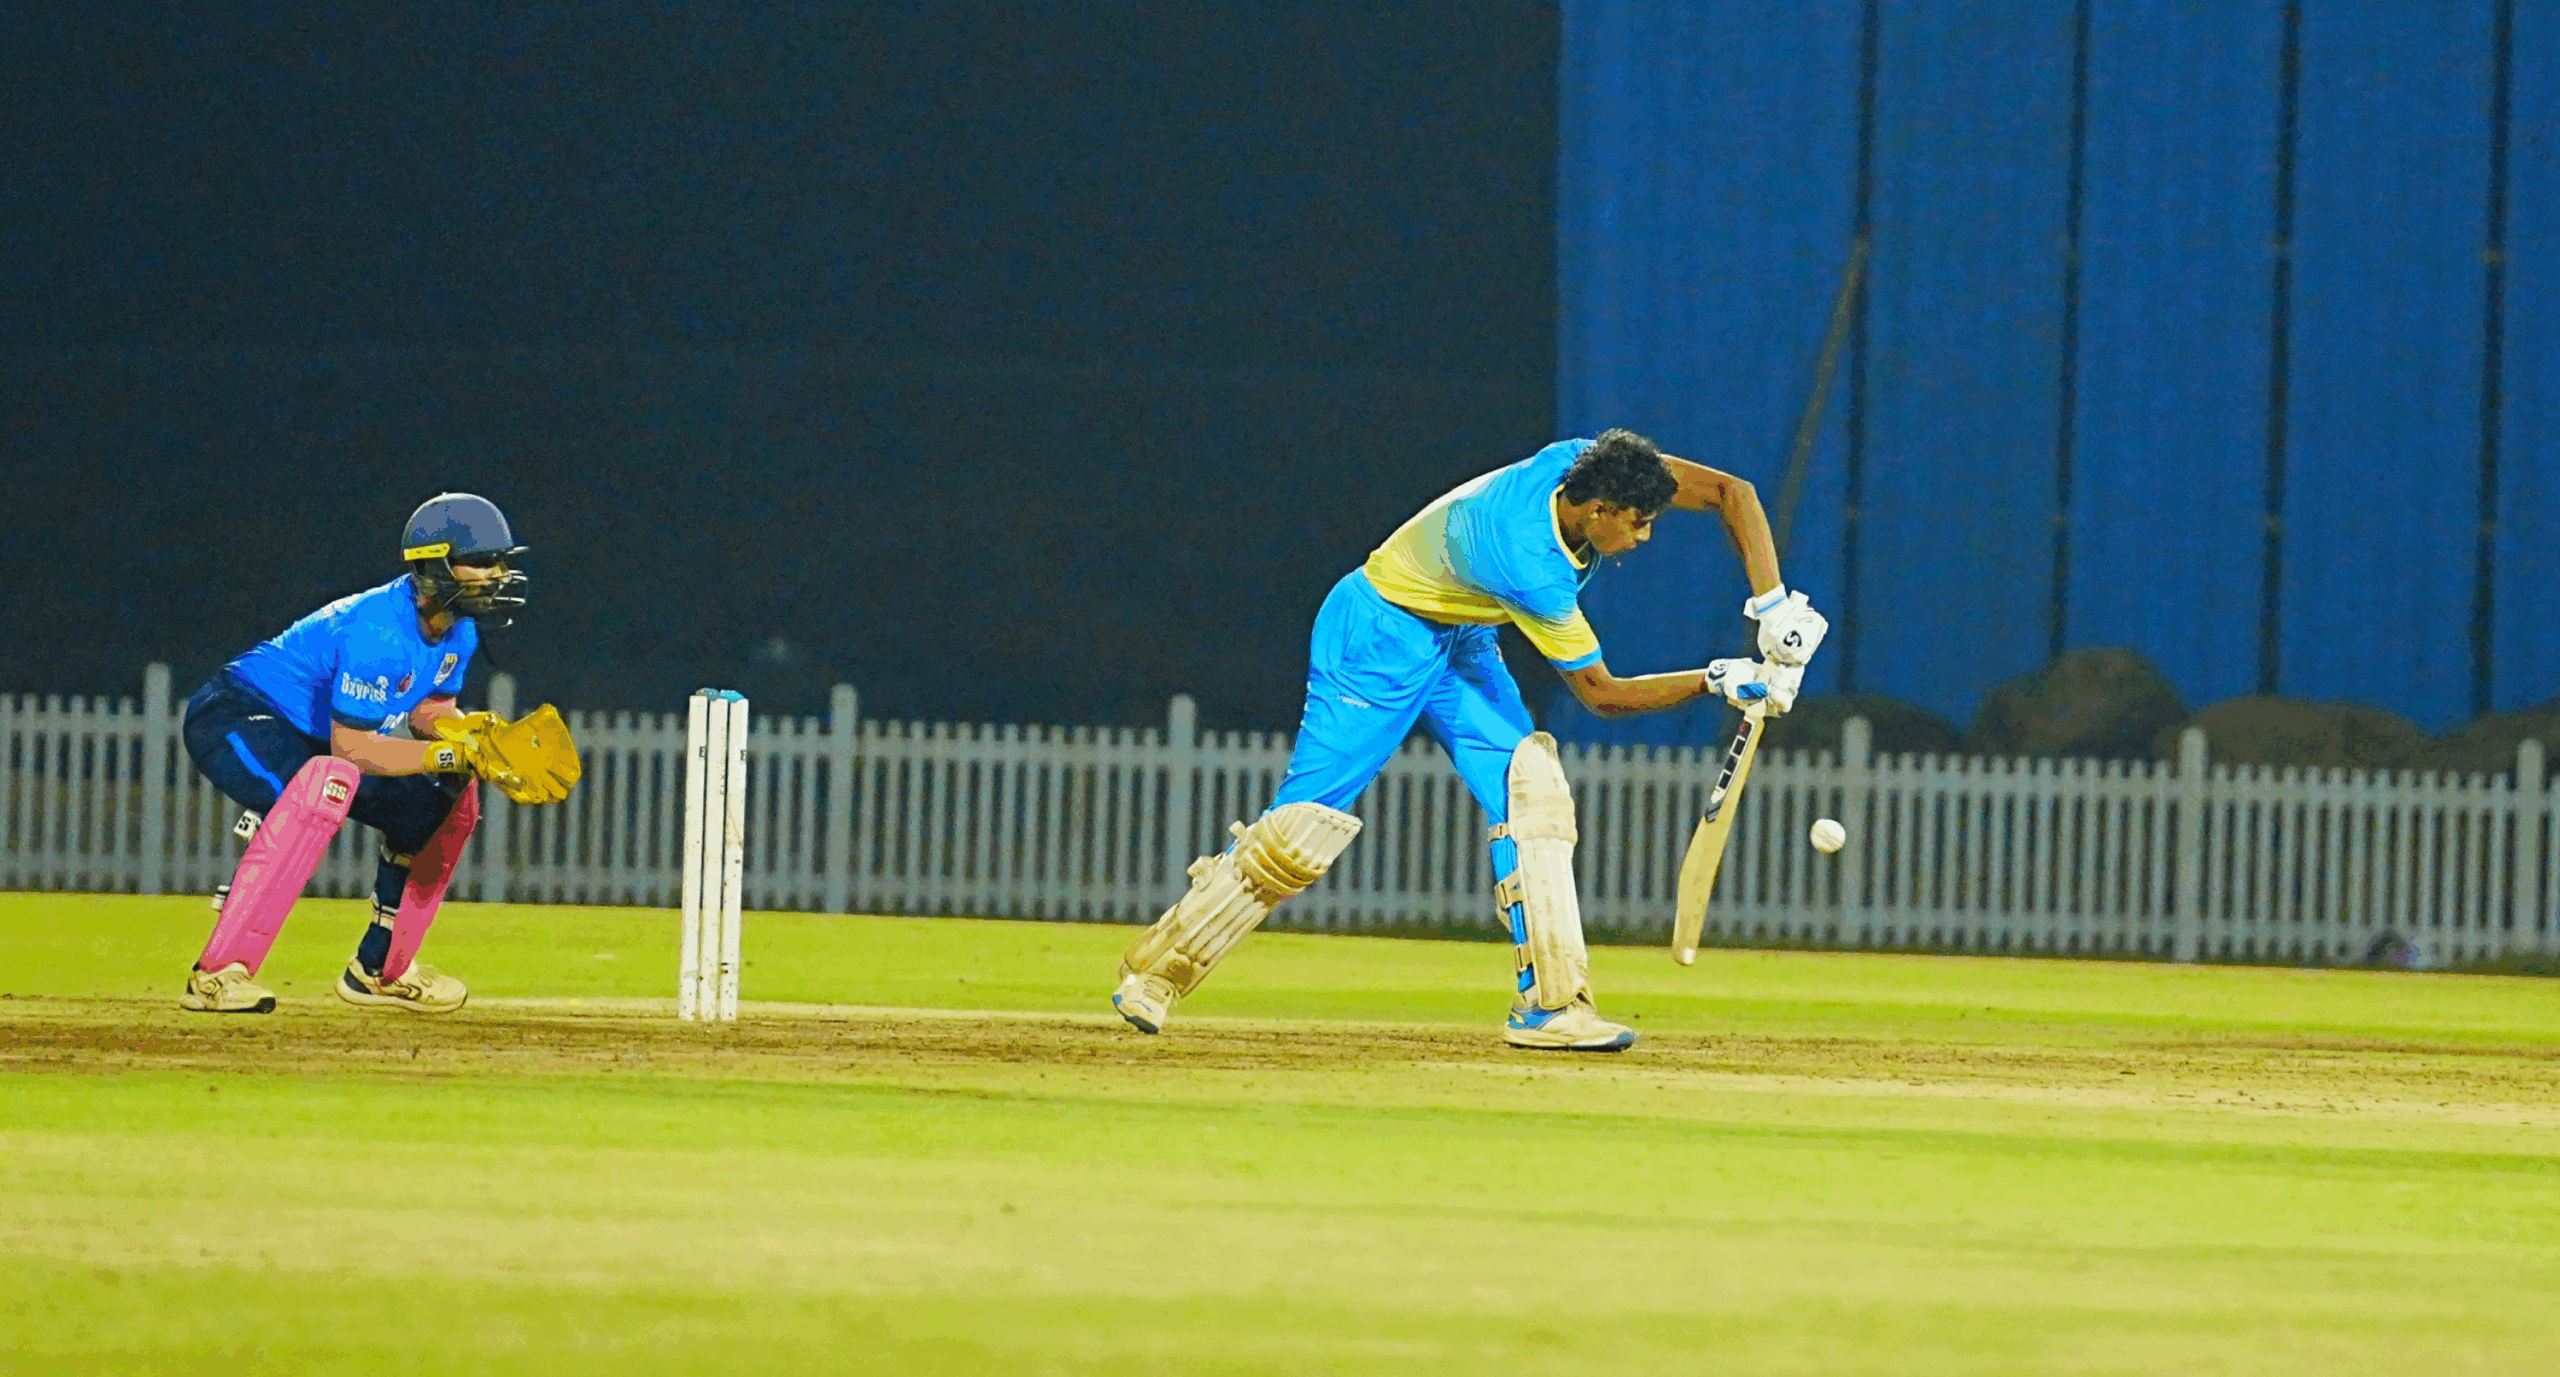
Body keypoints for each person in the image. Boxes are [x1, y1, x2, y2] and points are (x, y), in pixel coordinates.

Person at [1110, 430, 1828, 1050]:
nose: (1642, 538)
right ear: (1598, 510)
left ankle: (1549, 1008)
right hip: (1379, 632)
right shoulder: (1528, 564)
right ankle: (1155, 973)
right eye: (1638, 523)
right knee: (1303, 828)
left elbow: (1732, 492)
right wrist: (1717, 679)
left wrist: (1773, 610)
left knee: (1533, 795)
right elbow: (1602, 694)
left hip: (1461, 633)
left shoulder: (1585, 461)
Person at [178, 493, 578, 1015]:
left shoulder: (458, 629)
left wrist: (472, 737)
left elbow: (429, 708)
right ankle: (215, 974)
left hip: (319, 739)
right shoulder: (378, 631)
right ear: (435, 566)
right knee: (323, 787)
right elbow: (353, 748)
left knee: (447, 801)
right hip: (239, 715)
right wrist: (451, 755)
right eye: (481, 561)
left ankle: (380, 969)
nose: (497, 574)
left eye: (500, 561)